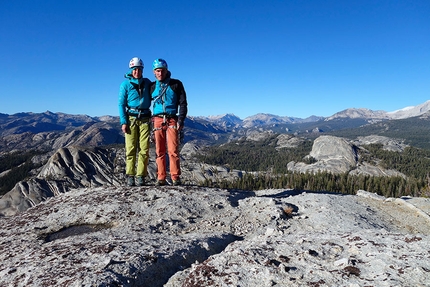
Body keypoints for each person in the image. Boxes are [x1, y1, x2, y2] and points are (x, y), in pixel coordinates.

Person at [151, 58, 188, 186]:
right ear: (154, 72)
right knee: (159, 150)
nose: (160, 73)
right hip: (157, 119)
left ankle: (175, 177)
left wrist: (181, 119)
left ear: (166, 71)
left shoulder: (176, 84)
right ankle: (161, 178)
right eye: (157, 71)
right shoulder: (151, 87)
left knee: (173, 150)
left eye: (162, 70)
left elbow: (183, 103)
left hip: (172, 118)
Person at [118, 57, 152, 186]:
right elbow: (121, 104)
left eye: (139, 69)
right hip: (131, 118)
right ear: (131, 70)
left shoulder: (147, 83)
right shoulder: (125, 85)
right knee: (131, 148)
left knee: (144, 149)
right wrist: (123, 122)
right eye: (134, 69)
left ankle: (140, 176)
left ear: (142, 70)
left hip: (144, 118)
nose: (137, 71)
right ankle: (130, 175)